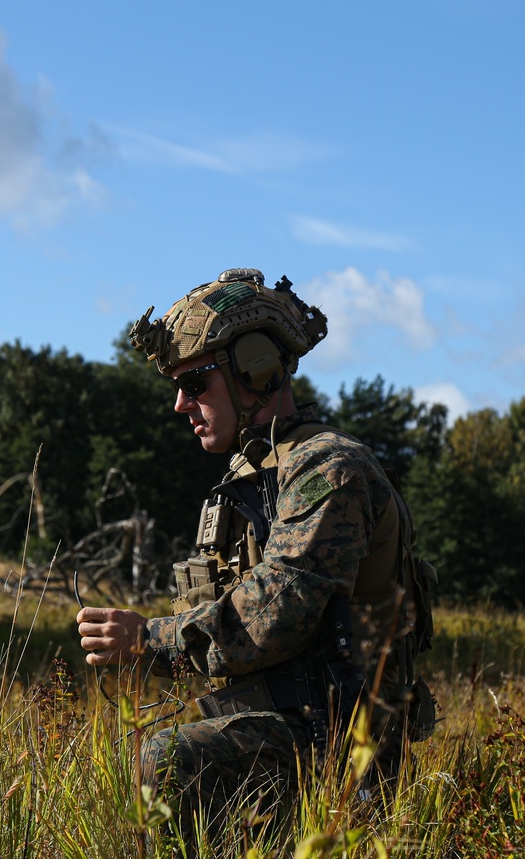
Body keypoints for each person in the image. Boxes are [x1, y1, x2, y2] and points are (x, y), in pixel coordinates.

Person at [75, 268, 435, 848]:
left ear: (256, 367)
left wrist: (149, 640)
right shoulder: (251, 478)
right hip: (285, 732)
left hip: (342, 753)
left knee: (169, 761)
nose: (179, 404)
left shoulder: (327, 470)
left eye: (195, 383)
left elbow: (277, 613)